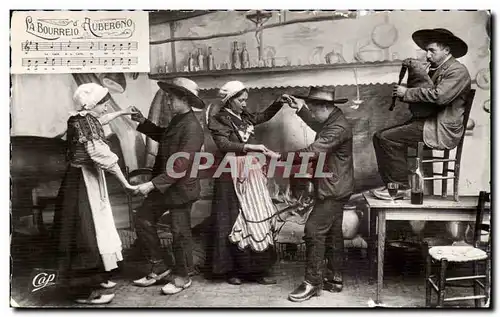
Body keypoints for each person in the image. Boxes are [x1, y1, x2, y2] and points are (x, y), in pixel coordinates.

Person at [50, 83, 138, 304]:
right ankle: (83, 290)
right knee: (86, 230)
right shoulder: (84, 123)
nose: (107, 107)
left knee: (98, 228)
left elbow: (101, 120)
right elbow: (103, 156)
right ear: (90, 105)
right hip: (81, 182)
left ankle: (98, 276)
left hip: (85, 179)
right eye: (103, 103)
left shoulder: (82, 118)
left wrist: (123, 112)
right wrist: (125, 183)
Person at [372, 28, 471, 200]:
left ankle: (401, 187)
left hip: (440, 129)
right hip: (427, 122)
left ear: (447, 50)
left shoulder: (457, 71)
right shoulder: (436, 68)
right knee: (380, 136)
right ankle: (394, 184)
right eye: (426, 50)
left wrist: (407, 93)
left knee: (385, 138)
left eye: (432, 50)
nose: (428, 55)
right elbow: (427, 92)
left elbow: (439, 97)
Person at [130, 77, 205, 295]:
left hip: (181, 189)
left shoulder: (193, 128)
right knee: (143, 219)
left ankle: (183, 276)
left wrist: (151, 185)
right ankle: (160, 266)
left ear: (184, 99)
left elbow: (181, 165)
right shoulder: (178, 121)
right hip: (166, 186)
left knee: (179, 233)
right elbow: (164, 137)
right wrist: (143, 121)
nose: (168, 102)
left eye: (171, 98)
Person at [207, 80, 286, 285]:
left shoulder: (243, 116)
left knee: (255, 214)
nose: (244, 104)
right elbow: (223, 145)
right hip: (229, 174)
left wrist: (279, 102)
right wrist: (254, 147)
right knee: (232, 219)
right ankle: (231, 270)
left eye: (245, 100)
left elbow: (263, 116)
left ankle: (256, 271)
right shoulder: (218, 120)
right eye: (241, 100)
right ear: (230, 101)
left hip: (250, 171)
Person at [282, 87, 354, 302]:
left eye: (313, 110)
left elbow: (313, 152)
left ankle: (312, 282)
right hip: (337, 186)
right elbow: (320, 125)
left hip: (333, 190)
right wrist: (301, 109)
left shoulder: (338, 127)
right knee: (332, 233)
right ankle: (334, 278)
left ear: (325, 107)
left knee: (313, 230)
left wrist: (280, 156)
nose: (312, 115)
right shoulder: (333, 120)